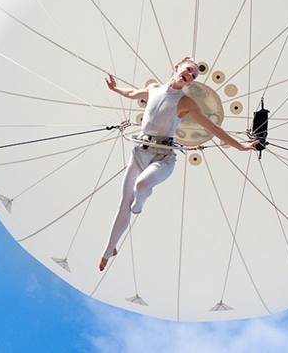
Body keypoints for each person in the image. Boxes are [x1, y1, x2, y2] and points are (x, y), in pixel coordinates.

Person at [99, 57, 258, 271]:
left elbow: (213, 128)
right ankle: (109, 250)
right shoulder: (154, 88)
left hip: (163, 157)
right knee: (123, 201)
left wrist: (241, 147)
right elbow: (133, 94)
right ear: (177, 68)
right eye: (189, 70)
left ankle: (138, 206)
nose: (190, 75)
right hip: (140, 151)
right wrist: (115, 89)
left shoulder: (185, 103)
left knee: (141, 186)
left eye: (193, 75)